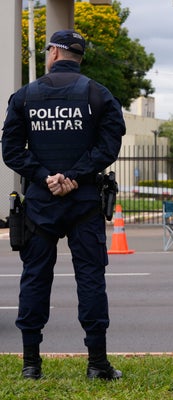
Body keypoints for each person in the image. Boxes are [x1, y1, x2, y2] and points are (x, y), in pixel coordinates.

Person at [1, 29, 126, 380]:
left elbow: (10, 150)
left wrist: (44, 176)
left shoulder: (25, 95)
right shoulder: (97, 94)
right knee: (90, 279)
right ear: (78, 57)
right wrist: (73, 175)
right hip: (84, 200)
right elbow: (109, 146)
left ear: (54, 53)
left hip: (40, 204)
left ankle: (30, 364)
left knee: (35, 278)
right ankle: (97, 364)